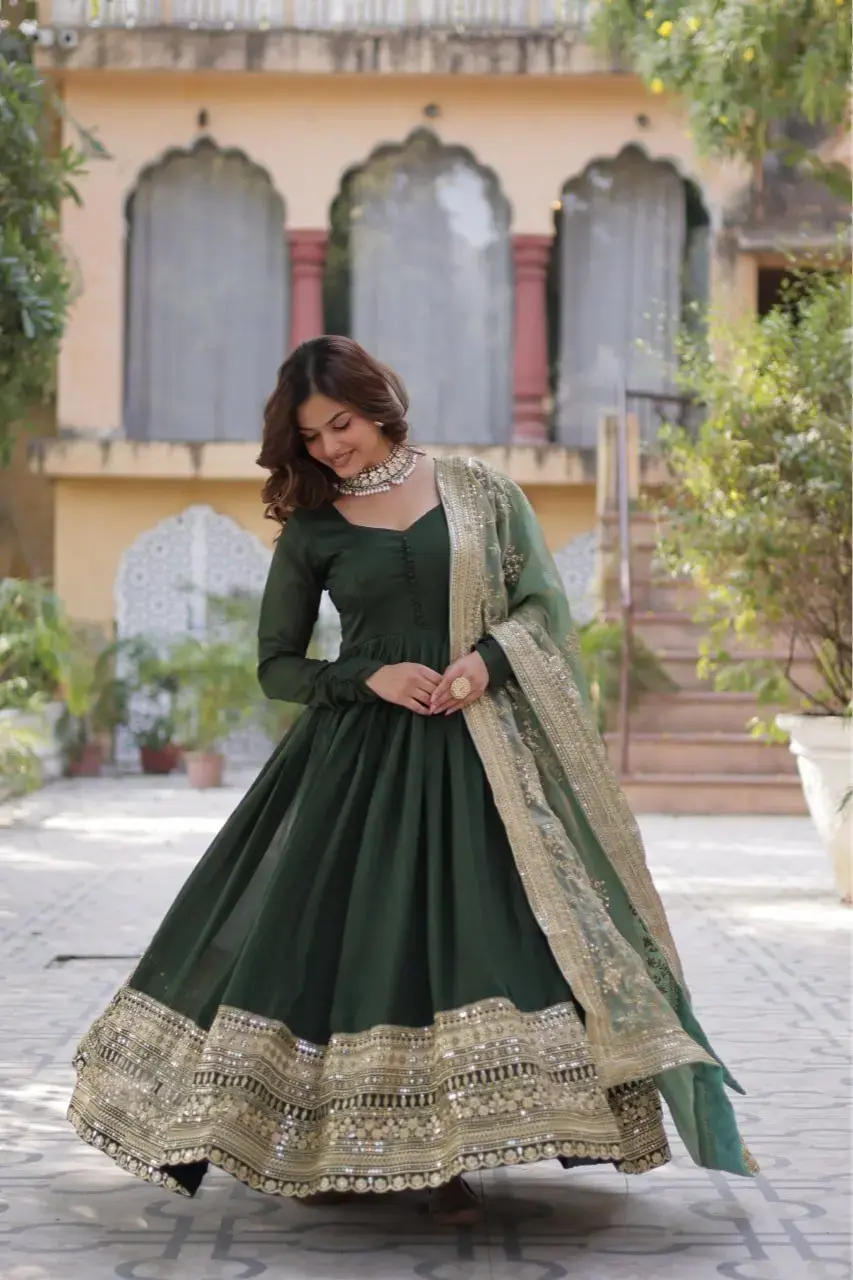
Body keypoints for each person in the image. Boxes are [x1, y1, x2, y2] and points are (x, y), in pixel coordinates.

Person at [68, 336, 756, 1225]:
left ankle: (465, 1143)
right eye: (311, 436)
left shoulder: (482, 495)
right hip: (353, 768)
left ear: (380, 402)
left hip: (482, 762)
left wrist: (485, 661)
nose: (329, 448)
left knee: (483, 938)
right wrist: (369, 676)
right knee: (355, 948)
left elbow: (542, 609)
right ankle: (349, 1149)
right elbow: (277, 666)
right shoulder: (313, 525)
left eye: (341, 424)